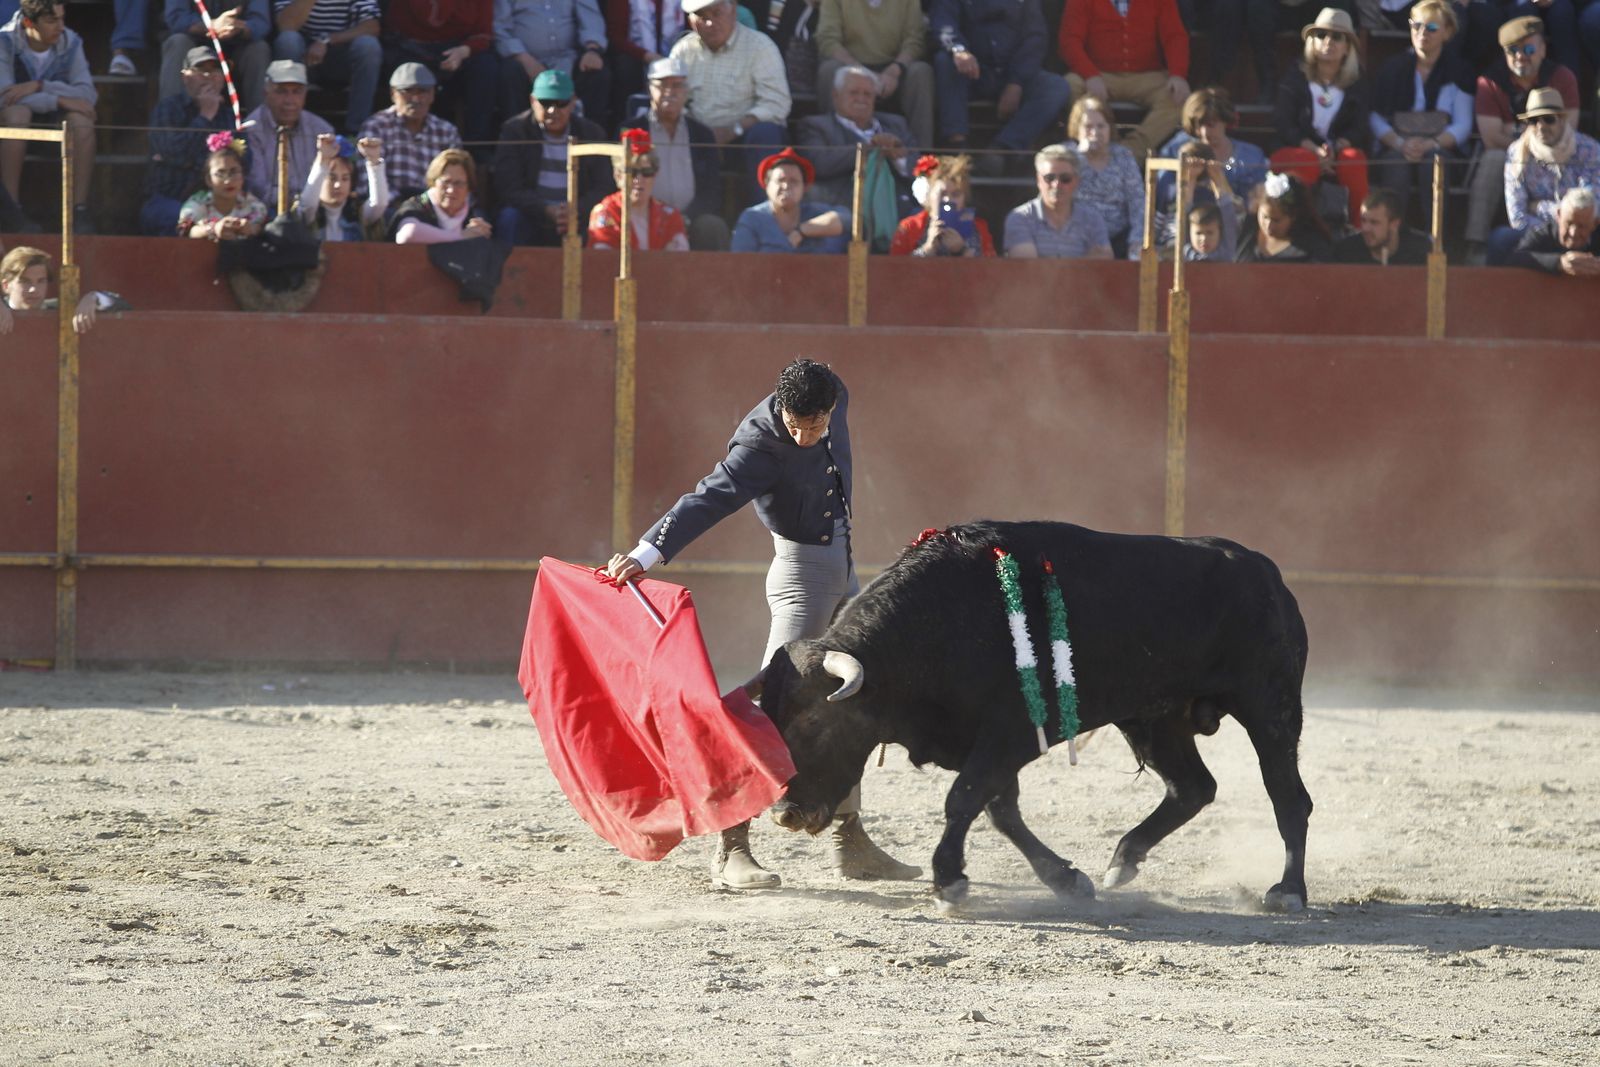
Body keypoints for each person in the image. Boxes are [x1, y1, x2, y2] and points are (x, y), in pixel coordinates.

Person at [602, 358, 921, 891]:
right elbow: (707, 498)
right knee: (770, 705)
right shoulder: (758, 446)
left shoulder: (834, 391)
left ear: (830, 410)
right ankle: (732, 847)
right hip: (801, 576)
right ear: (781, 409)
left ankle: (851, 843)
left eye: (813, 426)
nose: (802, 436)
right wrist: (647, 551)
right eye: (793, 424)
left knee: (853, 698)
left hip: (842, 571)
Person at [1466, 16, 1579, 265]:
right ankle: (1476, 246)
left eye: (1528, 49)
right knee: (1494, 158)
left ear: (1543, 50)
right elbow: (1491, 138)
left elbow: (1569, 132)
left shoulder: (1562, 77)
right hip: (1513, 159)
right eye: (1512, 50)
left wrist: (1516, 131)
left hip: (1558, 158)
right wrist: (1533, 141)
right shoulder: (1490, 81)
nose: (1520, 56)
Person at [930, 0, 1070, 174]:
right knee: (945, 61)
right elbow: (943, 22)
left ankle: (1002, 150)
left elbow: (1035, 38)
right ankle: (957, 149)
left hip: (1013, 71)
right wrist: (958, 49)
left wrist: (1016, 82)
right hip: (973, 71)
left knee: (1056, 87)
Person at [669, 0, 789, 199]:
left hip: (744, 138)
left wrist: (733, 130)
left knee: (766, 133)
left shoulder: (760, 46)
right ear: (690, 21)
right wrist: (701, 133)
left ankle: (767, 214)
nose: (709, 23)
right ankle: (683, 219)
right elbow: (671, 98)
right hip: (698, 140)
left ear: (733, 10)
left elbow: (776, 103)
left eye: (716, 13)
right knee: (670, 130)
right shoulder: (682, 50)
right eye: (702, 16)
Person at [1368, 0, 1472, 220]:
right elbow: (1376, 116)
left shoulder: (1460, 70)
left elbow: (1463, 123)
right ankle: (1394, 233)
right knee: (1395, 163)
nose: (1423, 32)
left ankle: (1435, 240)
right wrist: (1399, 143)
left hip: (1441, 146)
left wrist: (1431, 144)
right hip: (1397, 142)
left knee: (1434, 162)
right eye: (1417, 26)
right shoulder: (1392, 67)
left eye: (1432, 28)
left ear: (1448, 31)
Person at [0, 0, 96, 233]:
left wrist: (39, 86)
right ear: (28, 22)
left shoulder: (71, 41)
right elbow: (4, 96)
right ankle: (10, 209)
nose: (60, 26)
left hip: (56, 120)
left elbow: (87, 96)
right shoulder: (4, 41)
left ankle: (78, 210)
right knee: (16, 115)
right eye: (52, 20)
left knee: (82, 122)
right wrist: (59, 98)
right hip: (18, 120)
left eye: (62, 19)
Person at [1270, 8, 1370, 229]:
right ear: (1312, 43)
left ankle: (1358, 230)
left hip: (1338, 152)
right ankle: (1301, 230)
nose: (1328, 41)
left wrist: (1337, 147)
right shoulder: (1295, 75)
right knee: (1305, 162)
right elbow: (1283, 122)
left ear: (1347, 48)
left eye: (1337, 37)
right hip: (1296, 147)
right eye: (1321, 35)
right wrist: (1314, 151)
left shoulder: (1358, 82)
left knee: (1353, 158)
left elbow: (1360, 126)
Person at [794, 66, 915, 247]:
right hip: (844, 211)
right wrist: (870, 149)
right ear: (836, 95)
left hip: (896, 211)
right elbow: (818, 162)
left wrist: (899, 157)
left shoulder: (896, 124)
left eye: (867, 94)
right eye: (854, 93)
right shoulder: (815, 126)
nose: (861, 99)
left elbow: (918, 168)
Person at [494, 67, 614, 246]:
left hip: (579, 216)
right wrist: (545, 210)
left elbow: (604, 185)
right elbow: (508, 186)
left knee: (603, 220)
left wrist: (575, 210)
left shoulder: (592, 133)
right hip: (531, 215)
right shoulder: (515, 130)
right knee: (510, 218)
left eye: (561, 103)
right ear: (532, 100)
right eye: (545, 102)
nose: (552, 110)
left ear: (573, 102)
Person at [1058, 0, 1187, 161]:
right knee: (1071, 85)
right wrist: (1089, 74)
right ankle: (1100, 146)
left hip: (1146, 76)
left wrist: (1177, 74)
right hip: (1100, 75)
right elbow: (1070, 40)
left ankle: (1132, 151)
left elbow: (1174, 36)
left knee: (1179, 96)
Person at [620, 56, 727, 250]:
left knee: (712, 226)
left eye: (677, 85)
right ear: (650, 89)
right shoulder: (631, 131)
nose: (670, 92)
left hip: (690, 219)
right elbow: (621, 179)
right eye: (662, 85)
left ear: (686, 91)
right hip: (642, 214)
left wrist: (682, 218)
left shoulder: (702, 134)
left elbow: (712, 189)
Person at [1493, 87, 1600, 266]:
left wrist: (1539, 206)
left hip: (1584, 231)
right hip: (1539, 234)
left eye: (1548, 119)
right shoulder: (1517, 153)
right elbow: (1517, 216)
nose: (1541, 126)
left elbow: (1591, 205)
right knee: (1500, 239)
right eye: (1533, 121)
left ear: (1562, 120)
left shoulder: (1590, 150)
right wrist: (1554, 227)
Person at [142, 47, 238, 236]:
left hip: (218, 202)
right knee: (183, 219)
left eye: (215, 70)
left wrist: (190, 159)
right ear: (185, 77)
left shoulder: (230, 116)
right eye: (201, 70)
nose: (209, 76)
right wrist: (206, 115)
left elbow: (243, 159)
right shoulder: (168, 109)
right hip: (169, 199)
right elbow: (172, 151)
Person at [383, 0, 498, 153]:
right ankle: (405, 146)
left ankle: (477, 153)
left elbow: (484, 34)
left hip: (461, 50)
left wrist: (463, 51)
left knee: (485, 67)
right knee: (408, 76)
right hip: (411, 49)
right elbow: (392, 27)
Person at [815, 0, 932, 150]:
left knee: (921, 72)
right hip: (851, 64)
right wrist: (862, 74)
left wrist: (893, 71)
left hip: (894, 68)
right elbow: (827, 40)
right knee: (829, 71)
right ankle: (832, 148)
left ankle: (922, 160)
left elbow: (915, 40)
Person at [1155, 89, 1268, 223]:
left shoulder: (1251, 156)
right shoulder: (1176, 149)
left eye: (1211, 125)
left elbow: (1256, 207)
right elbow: (1162, 196)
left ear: (1225, 121)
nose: (1204, 132)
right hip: (1182, 229)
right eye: (1198, 125)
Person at [494, 0, 610, 131]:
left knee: (597, 73)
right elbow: (500, 28)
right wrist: (524, 59)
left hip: (569, 58)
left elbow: (591, 21)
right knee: (509, 73)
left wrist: (592, 50)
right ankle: (517, 140)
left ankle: (593, 141)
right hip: (523, 59)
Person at [271, 0, 383, 134]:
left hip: (342, 55)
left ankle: (358, 131)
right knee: (288, 40)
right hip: (303, 57)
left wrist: (326, 40)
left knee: (368, 46)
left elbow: (371, 27)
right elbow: (285, 25)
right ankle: (289, 127)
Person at [358, 63, 464, 203]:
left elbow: (457, 180)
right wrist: (408, 207)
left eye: (422, 91)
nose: (416, 99)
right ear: (393, 94)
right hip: (389, 206)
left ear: (432, 94)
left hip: (435, 208)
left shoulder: (446, 131)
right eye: (408, 91)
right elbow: (368, 183)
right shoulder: (376, 127)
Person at [244, 60, 337, 210]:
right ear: (266, 93)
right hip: (268, 211)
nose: (289, 101)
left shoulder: (321, 129)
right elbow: (258, 188)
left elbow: (332, 179)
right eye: (281, 91)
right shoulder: (251, 130)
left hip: (317, 208)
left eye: (296, 92)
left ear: (305, 94)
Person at [158, 0, 271, 115]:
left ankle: (262, 126)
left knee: (259, 49)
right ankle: (169, 121)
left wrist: (238, 26)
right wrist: (212, 26)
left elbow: (260, 23)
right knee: (178, 42)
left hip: (236, 48)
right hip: (195, 47)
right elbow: (176, 18)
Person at [731, 147, 850, 253]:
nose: (786, 186)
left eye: (794, 181)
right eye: (780, 180)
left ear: (805, 188)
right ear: (766, 185)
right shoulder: (752, 217)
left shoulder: (815, 212)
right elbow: (740, 264)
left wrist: (802, 230)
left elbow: (849, 220)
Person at [1069, 95, 1144, 259]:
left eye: (1101, 126)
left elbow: (1138, 203)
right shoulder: (1067, 156)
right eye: (1088, 127)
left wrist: (1137, 241)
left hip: (1118, 239)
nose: (1095, 133)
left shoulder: (1123, 157)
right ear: (1076, 129)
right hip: (1075, 238)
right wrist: (1080, 158)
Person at [1005, 144, 1112, 259]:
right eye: (1049, 178)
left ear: (1076, 181)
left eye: (1065, 178)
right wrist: (1086, 259)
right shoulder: (1020, 218)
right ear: (1038, 180)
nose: (1056, 185)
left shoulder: (1093, 219)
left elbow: (1103, 262)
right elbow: (1027, 266)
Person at [586, 133, 688, 249]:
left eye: (647, 172)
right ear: (618, 176)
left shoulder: (670, 216)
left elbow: (679, 262)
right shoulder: (605, 214)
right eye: (632, 172)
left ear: (655, 175)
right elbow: (604, 261)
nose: (639, 180)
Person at [890, 153, 996, 256]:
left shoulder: (978, 228)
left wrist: (962, 250)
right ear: (929, 195)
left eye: (956, 194)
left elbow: (990, 269)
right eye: (942, 194)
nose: (948, 200)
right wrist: (927, 249)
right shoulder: (909, 227)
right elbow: (895, 269)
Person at [389, 146, 495, 242]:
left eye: (459, 183)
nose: (451, 190)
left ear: (469, 188)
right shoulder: (417, 205)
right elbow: (408, 234)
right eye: (446, 182)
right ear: (434, 183)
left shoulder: (470, 218)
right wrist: (461, 237)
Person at [601, 0, 685, 119]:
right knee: (625, 66)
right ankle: (626, 125)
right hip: (636, 58)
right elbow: (616, 38)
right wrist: (647, 56)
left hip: (677, 57)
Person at [298, 132, 390, 240]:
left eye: (345, 178)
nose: (338, 185)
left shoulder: (358, 214)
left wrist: (374, 162)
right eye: (332, 178)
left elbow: (379, 204)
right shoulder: (309, 214)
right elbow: (307, 206)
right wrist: (323, 160)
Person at [1, 244, 108, 334]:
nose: (33, 289)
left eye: (41, 281)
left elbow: (121, 303)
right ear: (6, 286)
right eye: (25, 281)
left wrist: (93, 298)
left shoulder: (64, 308)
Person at [179, 136, 270, 238]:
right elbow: (189, 232)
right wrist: (214, 229)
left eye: (234, 172)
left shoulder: (254, 206)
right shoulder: (196, 204)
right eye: (220, 174)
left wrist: (250, 229)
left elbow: (261, 228)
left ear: (243, 176)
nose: (228, 181)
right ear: (208, 180)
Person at [1237, 170, 1331, 261]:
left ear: (1293, 216)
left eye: (1276, 220)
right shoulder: (1244, 227)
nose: (1269, 226)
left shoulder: (1314, 248)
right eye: (1265, 217)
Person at [1505, 186, 1600, 276]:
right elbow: (1516, 258)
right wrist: (1559, 262)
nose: (1573, 233)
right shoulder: (1544, 233)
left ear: (1595, 224)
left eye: (1581, 226)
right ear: (1558, 216)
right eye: (1568, 223)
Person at [1332, 185, 1430, 264]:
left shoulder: (1420, 253)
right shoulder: (1346, 253)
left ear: (1395, 224)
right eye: (1363, 221)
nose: (1366, 229)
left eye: (1374, 222)